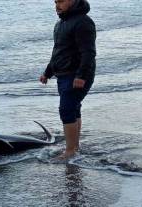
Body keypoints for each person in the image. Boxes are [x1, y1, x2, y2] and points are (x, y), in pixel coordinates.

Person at [39, 0, 96, 160]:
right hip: (63, 74)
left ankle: (70, 151)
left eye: (61, 1)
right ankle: (75, 148)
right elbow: (58, 50)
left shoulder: (83, 22)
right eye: (56, 1)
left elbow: (88, 53)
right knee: (73, 108)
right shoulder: (60, 23)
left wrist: (81, 76)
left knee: (66, 109)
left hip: (76, 74)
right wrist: (47, 72)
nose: (57, 5)